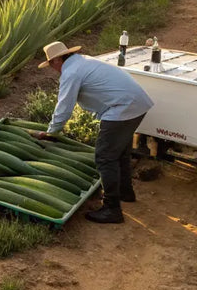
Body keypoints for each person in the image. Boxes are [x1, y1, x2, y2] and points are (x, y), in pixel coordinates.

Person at [35, 41, 154, 224]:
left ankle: (112, 209)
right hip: (136, 103)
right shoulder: (83, 62)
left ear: (58, 60)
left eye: (51, 63)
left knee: (105, 157)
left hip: (122, 108)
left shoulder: (71, 72)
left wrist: (52, 132)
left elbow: (64, 107)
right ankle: (125, 192)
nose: (51, 68)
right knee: (120, 152)